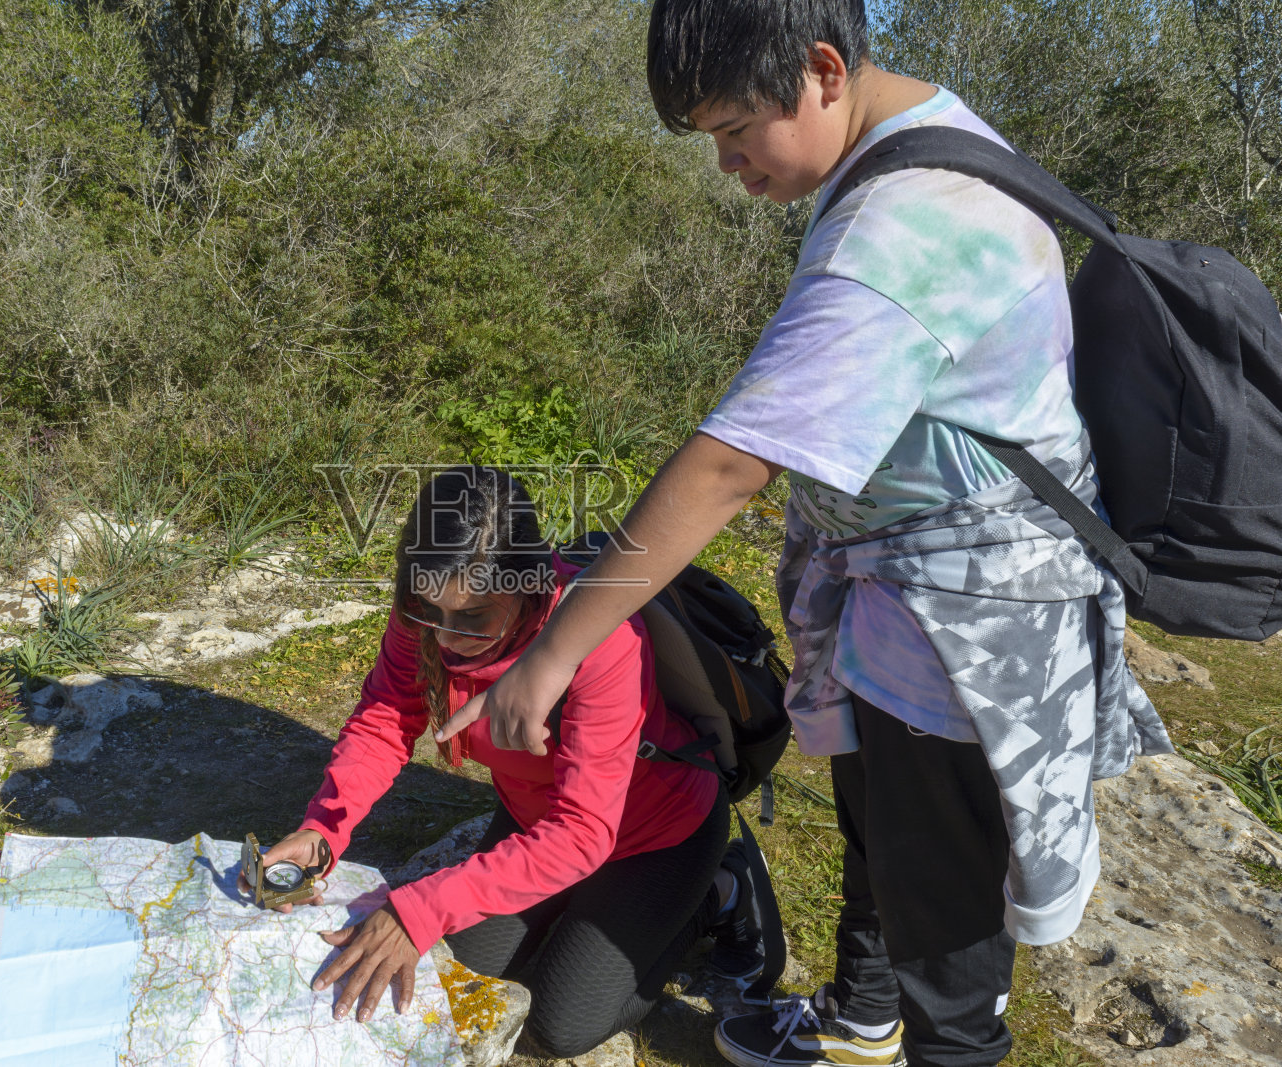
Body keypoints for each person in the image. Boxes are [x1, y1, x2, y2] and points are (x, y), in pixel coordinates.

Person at [432, 3, 1173, 1066]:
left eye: (736, 129)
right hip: (914, 600)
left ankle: (929, 1039)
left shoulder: (902, 225)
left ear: (823, 70)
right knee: (879, 827)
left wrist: (555, 651)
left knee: (945, 923)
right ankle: (865, 1017)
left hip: (963, 632)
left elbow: (732, 462)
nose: (729, 164)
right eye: (711, 140)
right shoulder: (924, 138)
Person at [247, 465, 770, 1058]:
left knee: (555, 1026)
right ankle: (581, 912)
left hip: (655, 834)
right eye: (427, 611)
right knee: (462, 981)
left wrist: (419, 908)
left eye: (473, 619)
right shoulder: (429, 608)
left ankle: (723, 888)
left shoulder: (602, 639)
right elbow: (389, 715)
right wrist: (324, 830)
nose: (444, 638)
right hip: (534, 821)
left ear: (531, 582)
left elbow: (581, 835)